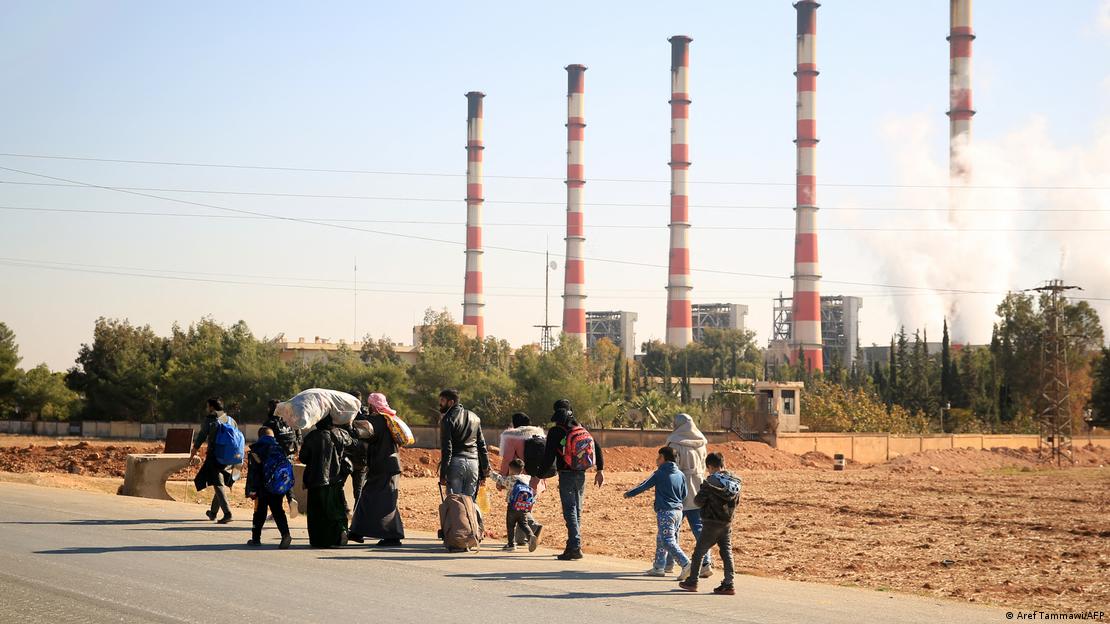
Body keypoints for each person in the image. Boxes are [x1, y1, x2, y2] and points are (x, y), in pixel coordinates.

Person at [541, 399, 605, 561]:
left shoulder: (556, 432)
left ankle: (575, 546)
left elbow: (549, 457)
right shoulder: (580, 427)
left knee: (569, 510)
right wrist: (600, 470)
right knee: (577, 511)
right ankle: (571, 546)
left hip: (566, 474)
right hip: (581, 473)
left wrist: (538, 475)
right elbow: (596, 447)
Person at [624, 446, 692, 580]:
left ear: (664, 458)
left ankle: (686, 564)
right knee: (663, 538)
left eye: (658, 457)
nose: (656, 460)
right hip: (678, 512)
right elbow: (684, 494)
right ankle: (660, 566)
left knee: (667, 540)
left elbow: (644, 485)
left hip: (666, 512)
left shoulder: (659, 473)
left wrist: (629, 493)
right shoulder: (681, 474)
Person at [348, 392, 406, 547]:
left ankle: (393, 536)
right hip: (386, 466)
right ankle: (357, 531)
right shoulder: (387, 419)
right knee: (369, 498)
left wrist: (355, 412)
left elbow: (363, 430)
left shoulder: (378, 421)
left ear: (373, 405)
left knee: (386, 502)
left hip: (384, 467)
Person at [679, 452, 741, 595]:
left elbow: (698, 501)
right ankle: (729, 583)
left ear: (711, 466)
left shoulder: (710, 481)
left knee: (698, 553)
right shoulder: (736, 481)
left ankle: (692, 581)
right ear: (723, 464)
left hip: (711, 522)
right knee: (727, 553)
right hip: (726, 522)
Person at [298, 415, 358, 548]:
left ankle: (320, 540)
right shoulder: (341, 433)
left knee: (318, 511)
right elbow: (354, 443)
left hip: (316, 480)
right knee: (337, 507)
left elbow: (303, 458)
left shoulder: (312, 436)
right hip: (337, 479)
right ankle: (340, 533)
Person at [666, 412, 712, 577]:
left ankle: (670, 563)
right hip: (698, 488)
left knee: (672, 527)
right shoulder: (701, 442)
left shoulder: (674, 442)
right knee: (699, 528)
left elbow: (671, 467)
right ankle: (706, 563)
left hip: (680, 488)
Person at [438, 389, 490, 524]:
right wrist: (484, 471)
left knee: (456, 504)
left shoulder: (447, 420)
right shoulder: (475, 417)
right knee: (470, 502)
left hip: (456, 463)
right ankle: (471, 533)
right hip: (473, 464)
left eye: (442, 401)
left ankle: (458, 537)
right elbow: (482, 446)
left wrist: (443, 473)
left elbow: (447, 449)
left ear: (451, 402)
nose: (440, 404)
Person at [497, 412, 545, 543]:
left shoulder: (512, 436)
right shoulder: (539, 435)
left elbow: (507, 460)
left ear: (514, 423)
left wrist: (501, 479)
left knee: (517, 506)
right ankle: (521, 539)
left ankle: (534, 527)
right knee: (526, 505)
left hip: (519, 479)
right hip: (537, 478)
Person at [245, 427, 292, 549]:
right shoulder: (280, 449)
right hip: (278, 485)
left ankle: (256, 539)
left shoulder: (257, 449)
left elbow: (254, 472)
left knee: (259, 512)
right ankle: (285, 534)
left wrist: (252, 489)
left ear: (260, 437)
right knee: (278, 511)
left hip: (263, 487)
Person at [190, 397, 234, 524]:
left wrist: (193, 453)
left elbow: (201, 437)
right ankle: (213, 513)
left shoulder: (210, 420)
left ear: (212, 407)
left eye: (208, 406)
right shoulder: (230, 420)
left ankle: (227, 513)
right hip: (230, 457)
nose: (206, 408)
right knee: (220, 482)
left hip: (215, 456)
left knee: (218, 483)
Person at [489, 458, 538, 552]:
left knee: (510, 525)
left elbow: (499, 479)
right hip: (523, 507)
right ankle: (531, 536)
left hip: (512, 507)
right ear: (522, 469)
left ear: (510, 469)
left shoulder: (511, 479)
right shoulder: (526, 479)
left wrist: (490, 472)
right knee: (523, 524)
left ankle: (511, 544)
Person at [262, 398, 301, 518]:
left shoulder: (270, 423)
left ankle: (276, 512)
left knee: (275, 484)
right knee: (286, 479)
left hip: (275, 458)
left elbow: (265, 441)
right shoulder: (289, 421)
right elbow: (298, 436)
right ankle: (291, 500)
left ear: (271, 409)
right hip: (289, 456)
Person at [347, 390, 372, 505]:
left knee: (357, 490)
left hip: (351, 454)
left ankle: (351, 513)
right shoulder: (364, 413)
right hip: (358, 455)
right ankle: (355, 515)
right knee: (358, 489)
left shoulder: (345, 412)